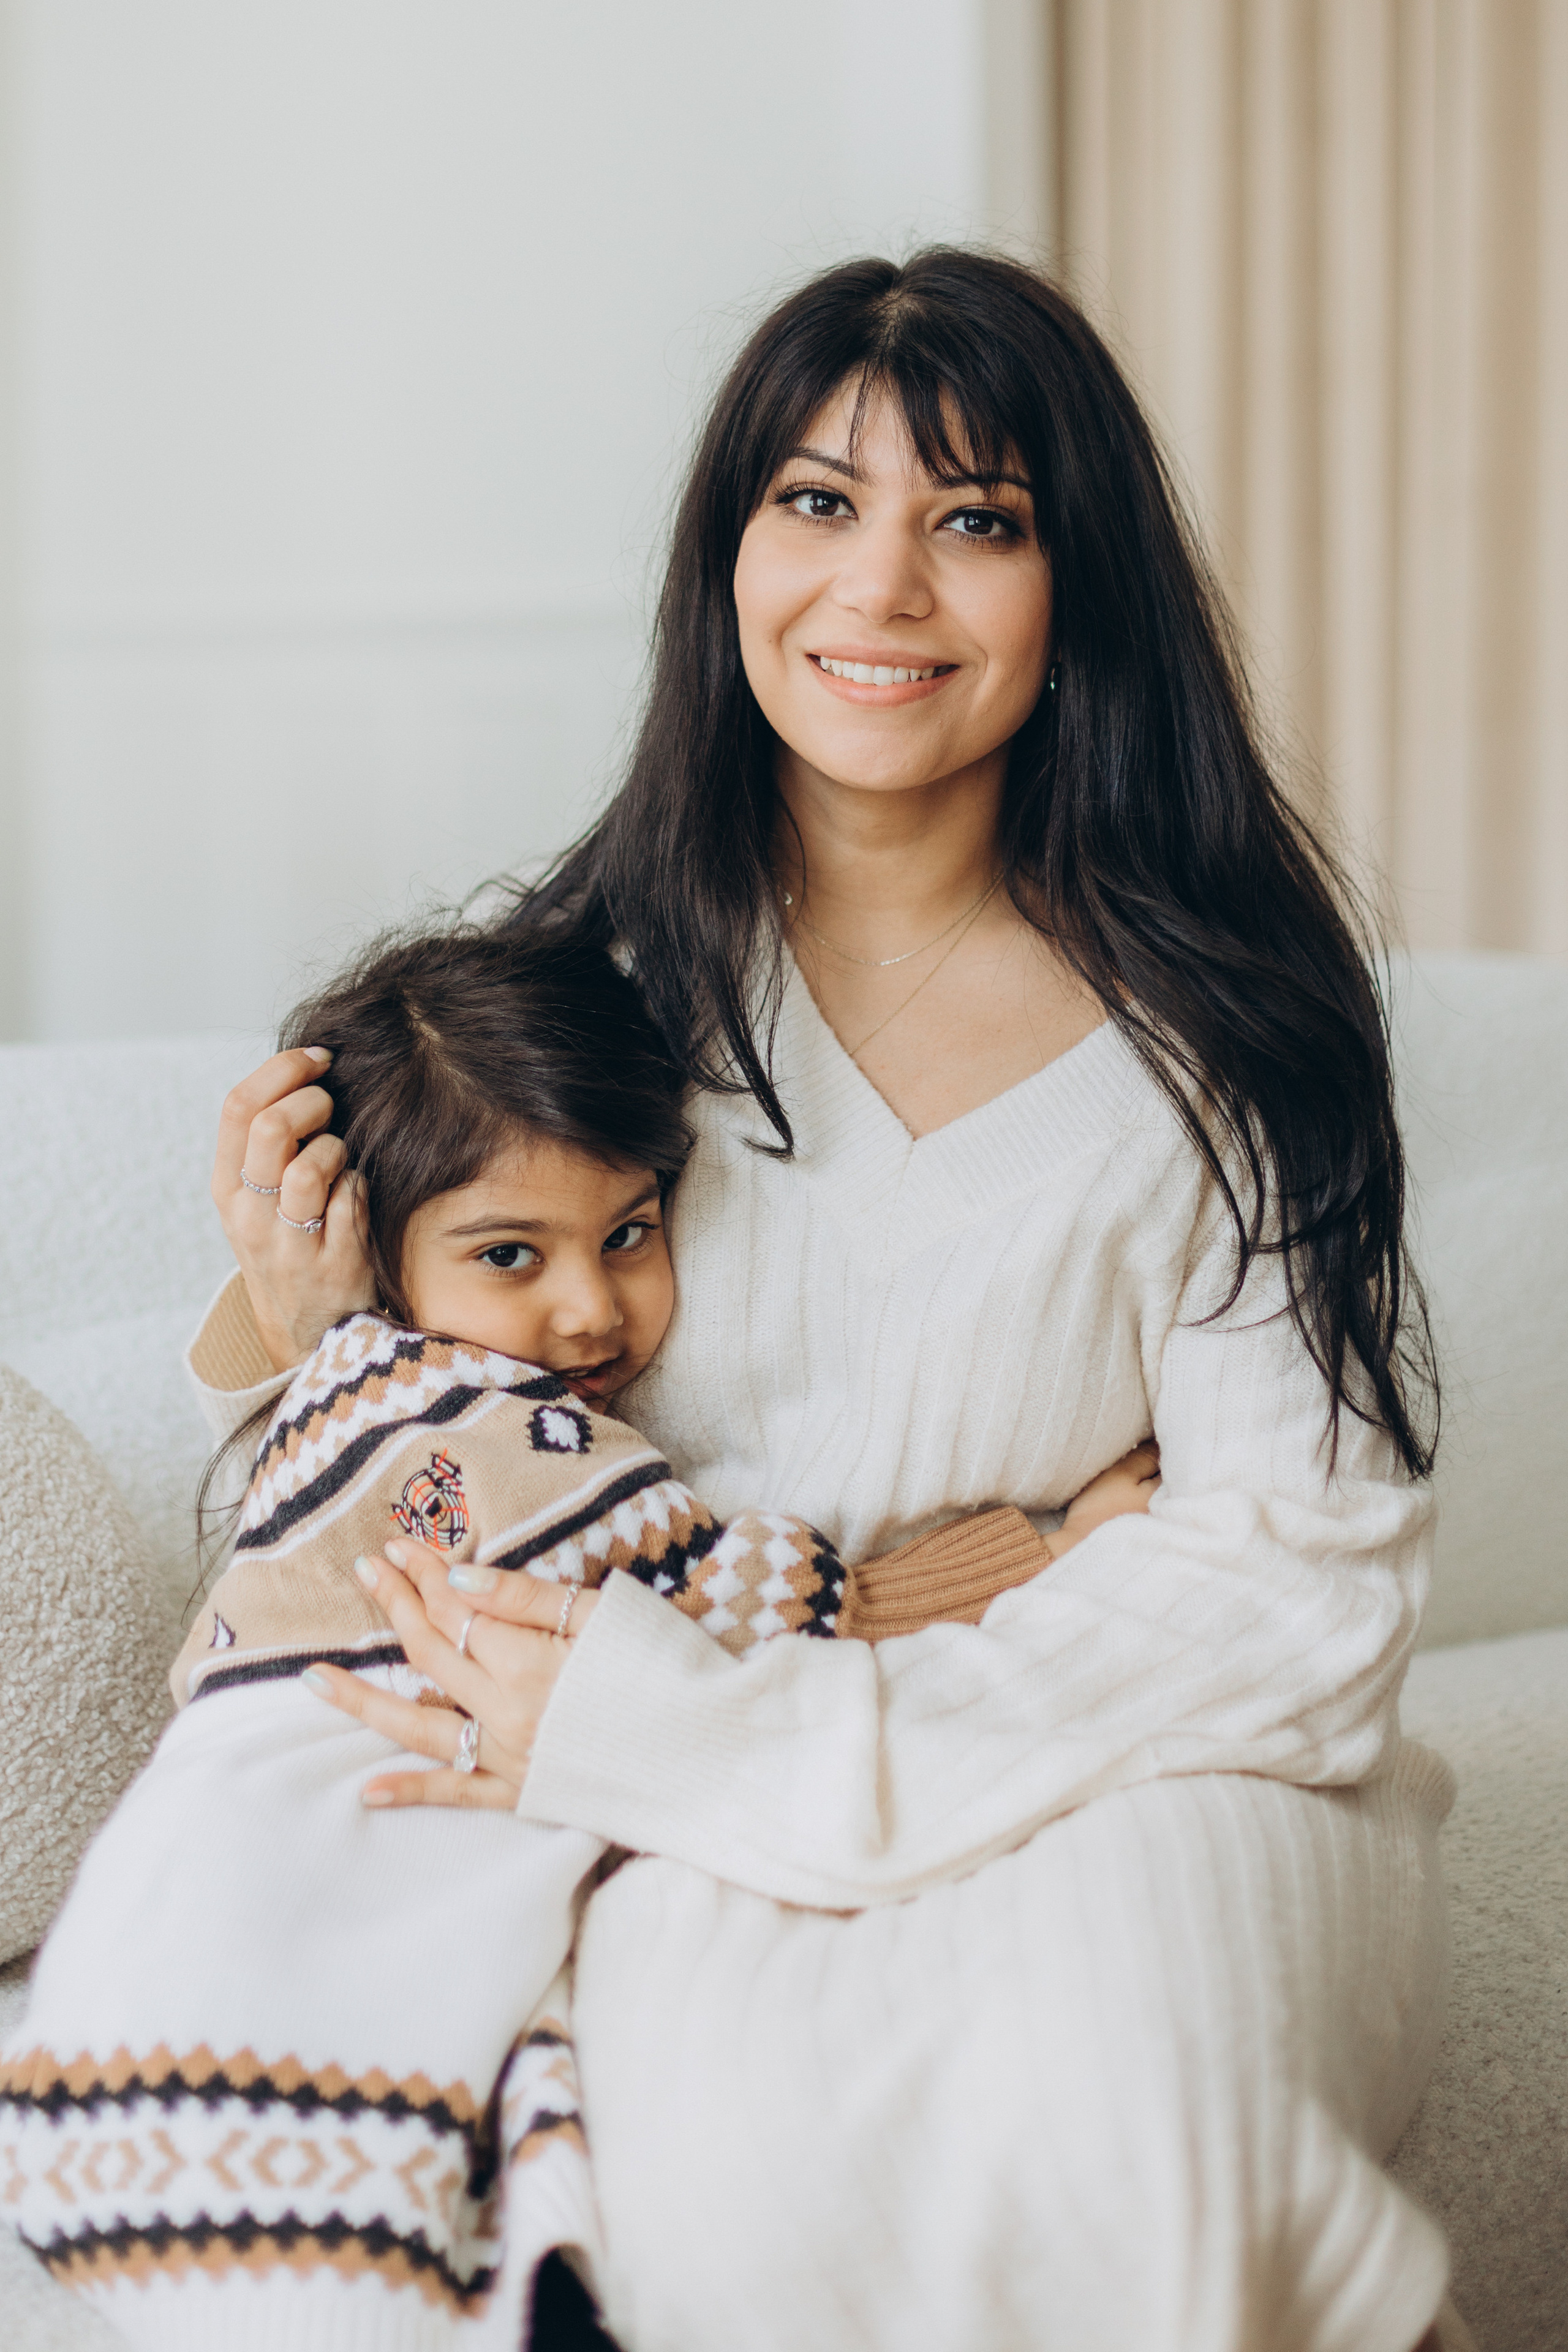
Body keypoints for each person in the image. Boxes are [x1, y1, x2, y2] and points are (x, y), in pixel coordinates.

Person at [167, 249, 1460, 2348]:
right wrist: (308, 1315)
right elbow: (418, 1508)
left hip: (1153, 1761)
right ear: (727, 559)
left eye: (978, 520)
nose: (884, 592)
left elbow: (1293, 1590)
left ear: (1079, 588)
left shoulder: (1236, 1033)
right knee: (723, 2153)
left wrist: (811, 1722)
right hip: (666, 1746)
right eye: (815, 501)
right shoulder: (580, 1013)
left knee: (1143, 2104)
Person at [1, 919, 1158, 2352]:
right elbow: (782, 1608)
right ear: (372, 1253)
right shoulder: (488, 1435)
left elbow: (277, 1442)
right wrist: (1048, 1546)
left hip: (130, 2000)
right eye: (508, 1253)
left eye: (628, 1232)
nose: (585, 1307)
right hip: (267, 1890)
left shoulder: (351, 1400)